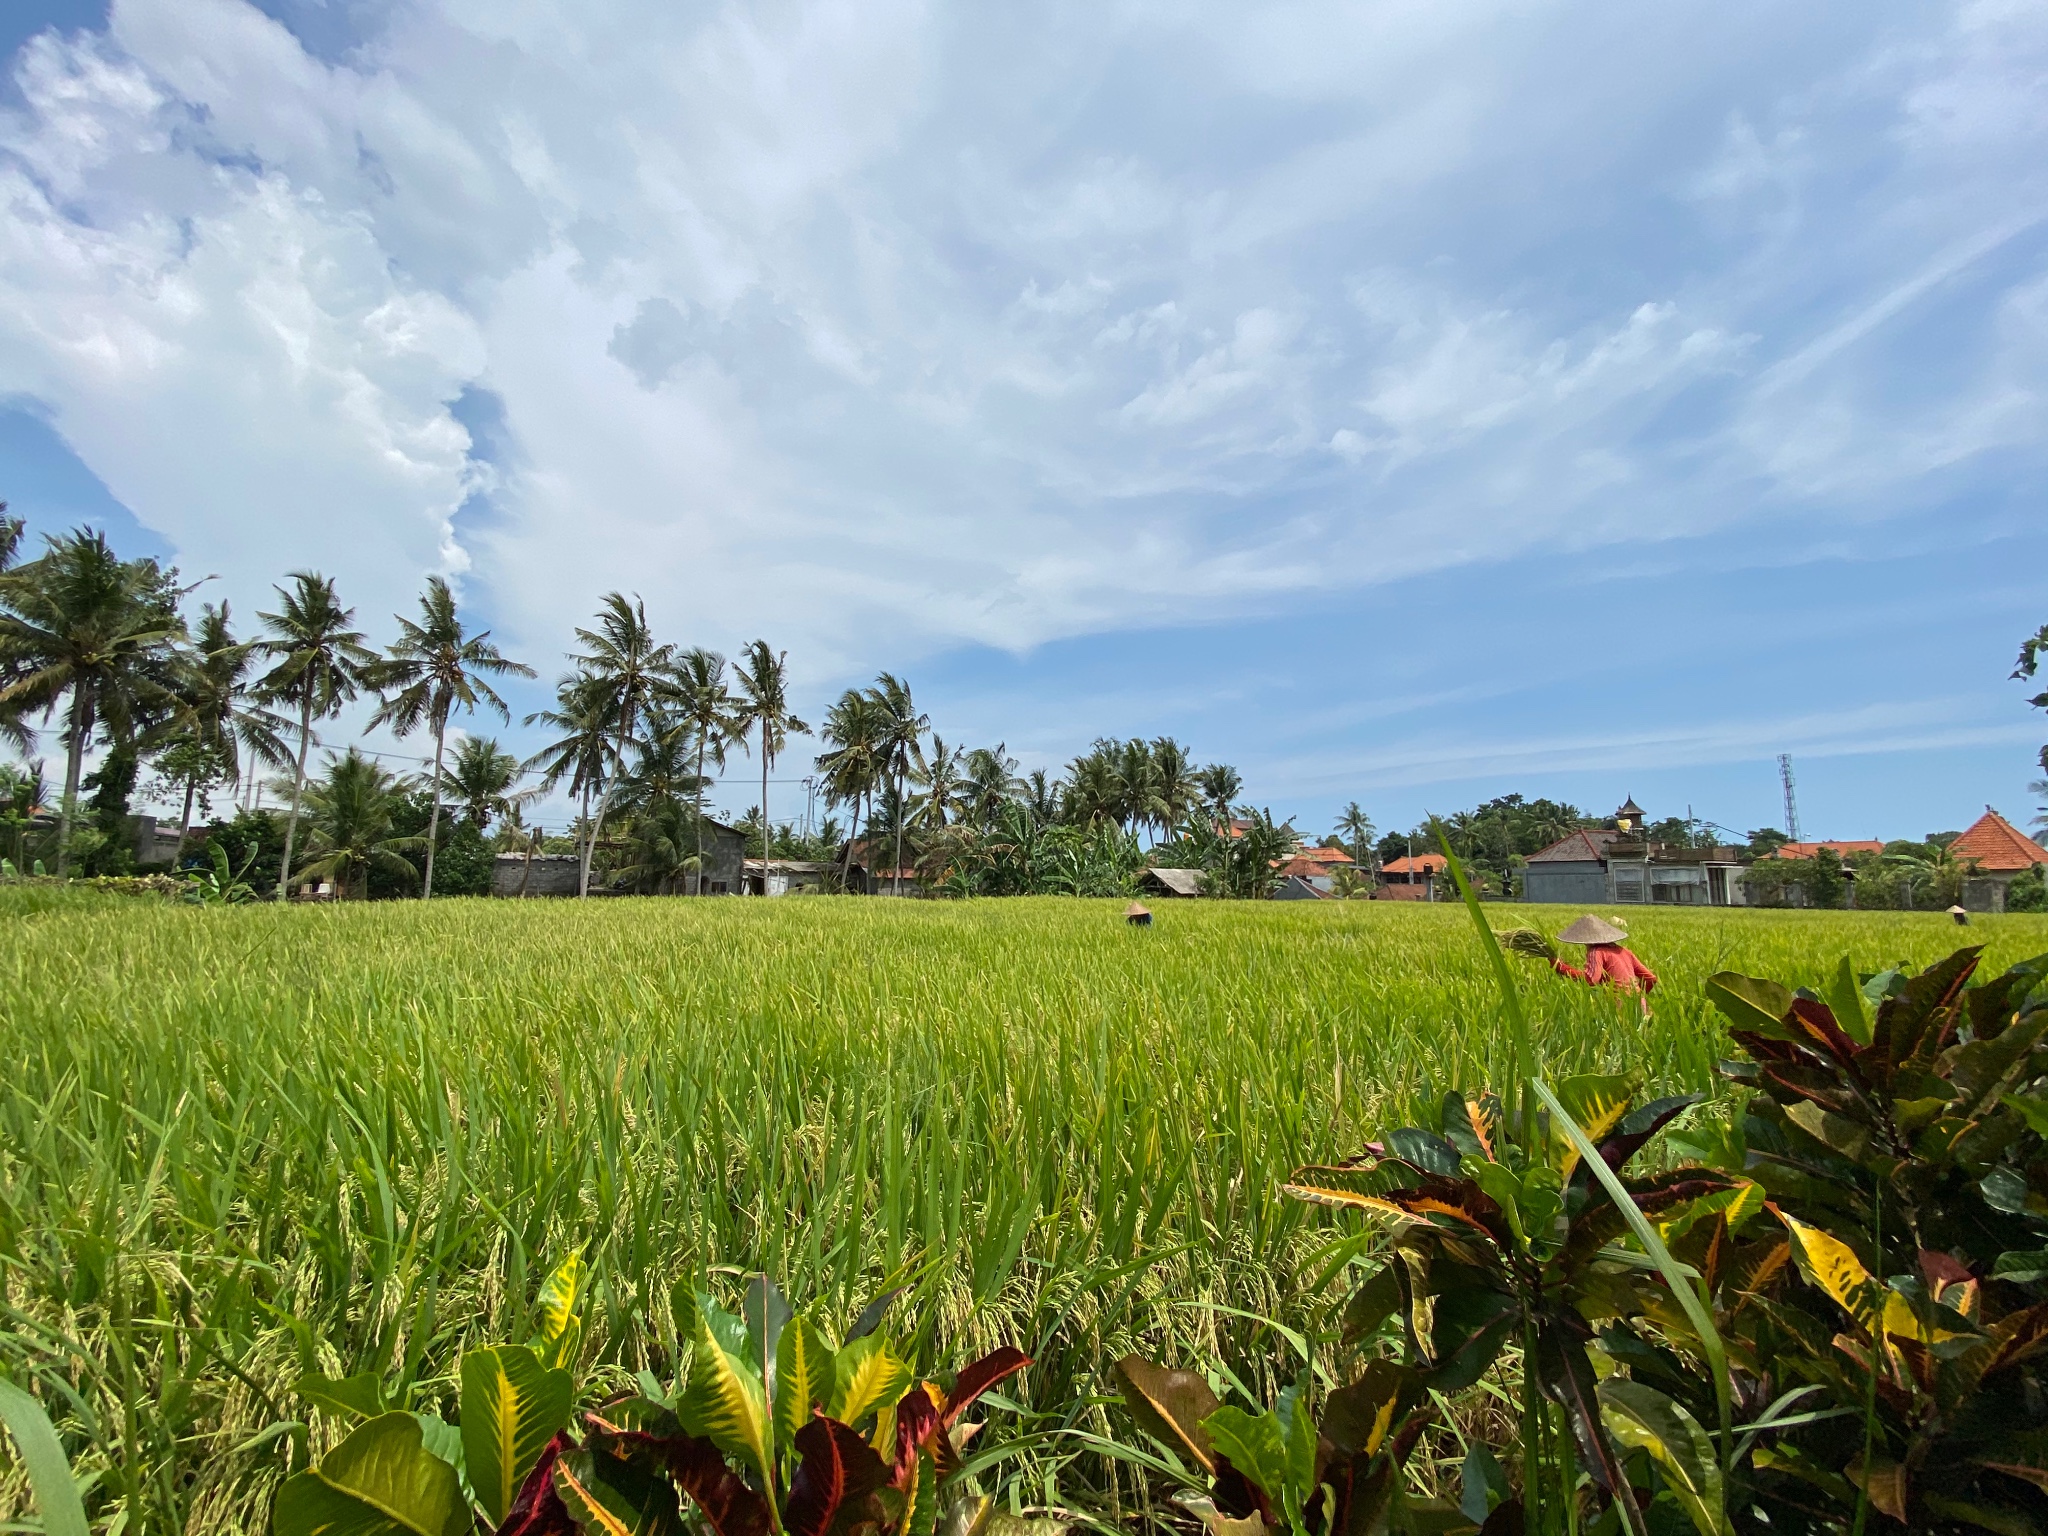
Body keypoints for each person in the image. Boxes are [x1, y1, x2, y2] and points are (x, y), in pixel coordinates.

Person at [1551, 914, 1657, 1016]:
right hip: (1640, 1005)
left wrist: (1562, 967)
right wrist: (1638, 996)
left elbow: (1591, 979)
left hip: (1619, 1005)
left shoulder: (1596, 952)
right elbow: (1651, 978)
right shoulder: (1624, 951)